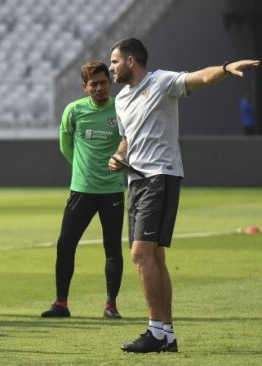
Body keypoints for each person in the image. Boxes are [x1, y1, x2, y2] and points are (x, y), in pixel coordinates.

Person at [107, 37, 259, 353]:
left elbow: (199, 77)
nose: (111, 68)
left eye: (115, 61)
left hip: (160, 177)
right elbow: (126, 139)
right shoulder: (121, 99)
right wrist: (119, 156)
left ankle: (155, 332)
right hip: (135, 181)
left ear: (131, 61)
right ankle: (166, 334)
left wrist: (227, 68)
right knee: (155, 257)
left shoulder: (161, 81)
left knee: (139, 254)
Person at [41, 61, 125, 319]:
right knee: (66, 245)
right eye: (93, 84)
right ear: (85, 87)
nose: (99, 88)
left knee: (112, 248)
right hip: (81, 190)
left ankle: (111, 305)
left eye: (103, 82)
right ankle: (61, 304)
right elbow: (65, 145)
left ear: (109, 83)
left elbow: (128, 141)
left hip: (112, 190)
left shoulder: (120, 110)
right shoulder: (74, 111)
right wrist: (82, 169)